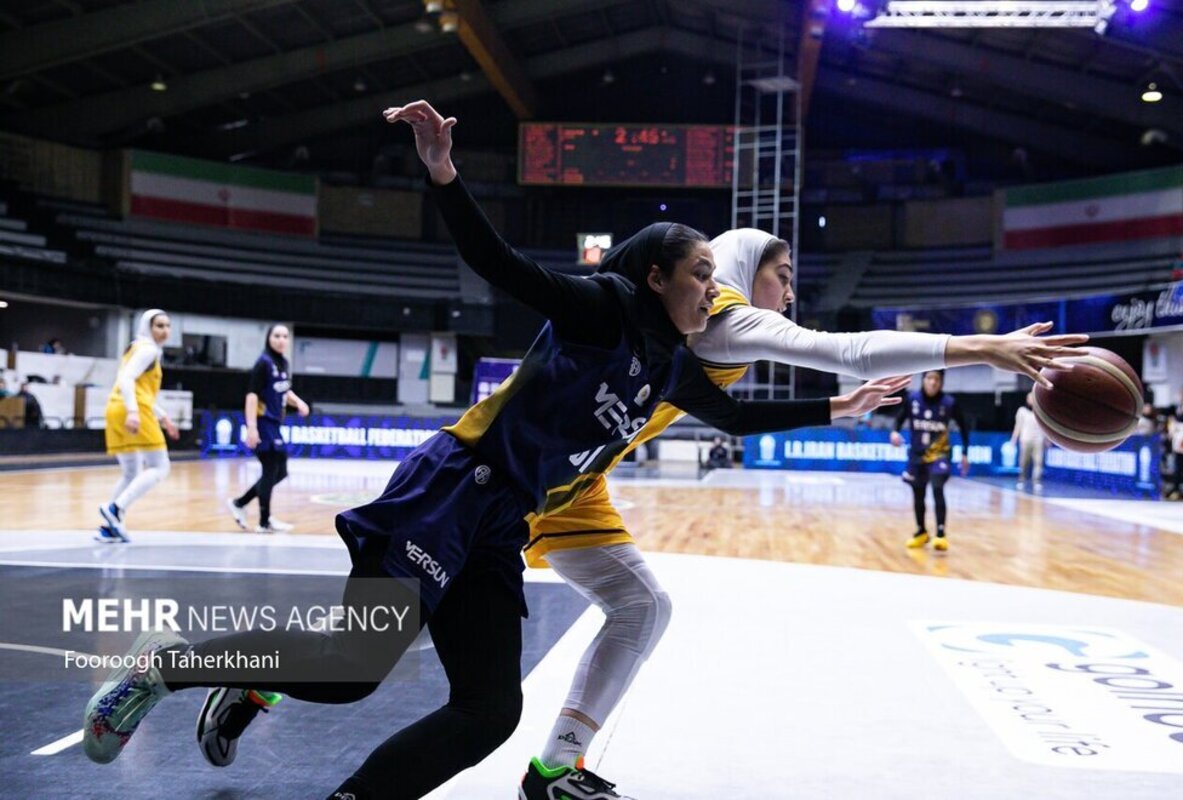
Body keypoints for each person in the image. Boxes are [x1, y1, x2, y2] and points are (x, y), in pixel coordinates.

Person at [82, 101, 906, 800]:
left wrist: (840, 405)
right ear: (658, 277)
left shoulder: (675, 367)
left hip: (501, 520)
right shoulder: (602, 308)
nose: (711, 291)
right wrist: (442, 170)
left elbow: (734, 421)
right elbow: (494, 261)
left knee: (489, 713)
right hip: (452, 487)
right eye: (700, 275)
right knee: (358, 661)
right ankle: (171, 664)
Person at [196, 228, 1086, 800]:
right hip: (512, 472)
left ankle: (556, 768)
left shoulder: (703, 306)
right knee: (396, 639)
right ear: (742, 271)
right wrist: (986, 347)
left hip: (574, 482)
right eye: (785, 275)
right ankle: (252, 677)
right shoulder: (726, 315)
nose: (790, 293)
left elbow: (749, 406)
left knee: (636, 607)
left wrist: (836, 411)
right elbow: (836, 349)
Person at [96, 309, 179, 543]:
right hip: (131, 410)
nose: (164, 331)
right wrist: (133, 411)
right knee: (160, 466)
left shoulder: (135, 346)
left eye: (167, 326)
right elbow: (127, 379)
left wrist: (162, 416)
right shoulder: (149, 350)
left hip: (114, 408)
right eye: (159, 326)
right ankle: (115, 509)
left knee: (131, 472)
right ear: (147, 327)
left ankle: (109, 527)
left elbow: (138, 389)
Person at [227, 324, 310, 533]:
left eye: (285, 336)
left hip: (274, 424)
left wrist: (298, 402)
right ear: (268, 338)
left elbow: (284, 390)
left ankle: (240, 503)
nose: (281, 339)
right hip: (262, 423)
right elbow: (252, 396)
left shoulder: (282, 362)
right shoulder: (263, 363)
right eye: (277, 335)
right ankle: (264, 522)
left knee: (280, 471)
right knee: (270, 468)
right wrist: (251, 428)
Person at [891, 369, 970, 551]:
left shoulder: (949, 403)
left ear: (941, 382)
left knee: (937, 487)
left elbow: (964, 427)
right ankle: (921, 532)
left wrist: (965, 453)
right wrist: (894, 432)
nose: (933, 382)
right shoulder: (912, 399)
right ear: (923, 379)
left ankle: (941, 534)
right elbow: (899, 419)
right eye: (930, 378)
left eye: (937, 379)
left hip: (939, 454)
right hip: (917, 455)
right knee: (918, 493)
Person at [1010, 391, 1046, 491]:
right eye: (1030, 398)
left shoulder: (1041, 412)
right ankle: (1021, 480)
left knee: (1038, 462)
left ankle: (1037, 482)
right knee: (1023, 462)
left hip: (1038, 440)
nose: (1032, 400)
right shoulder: (1022, 411)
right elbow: (1018, 426)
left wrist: (1047, 440)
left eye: (1033, 398)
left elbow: (1044, 428)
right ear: (1027, 400)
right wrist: (1014, 439)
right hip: (1025, 439)